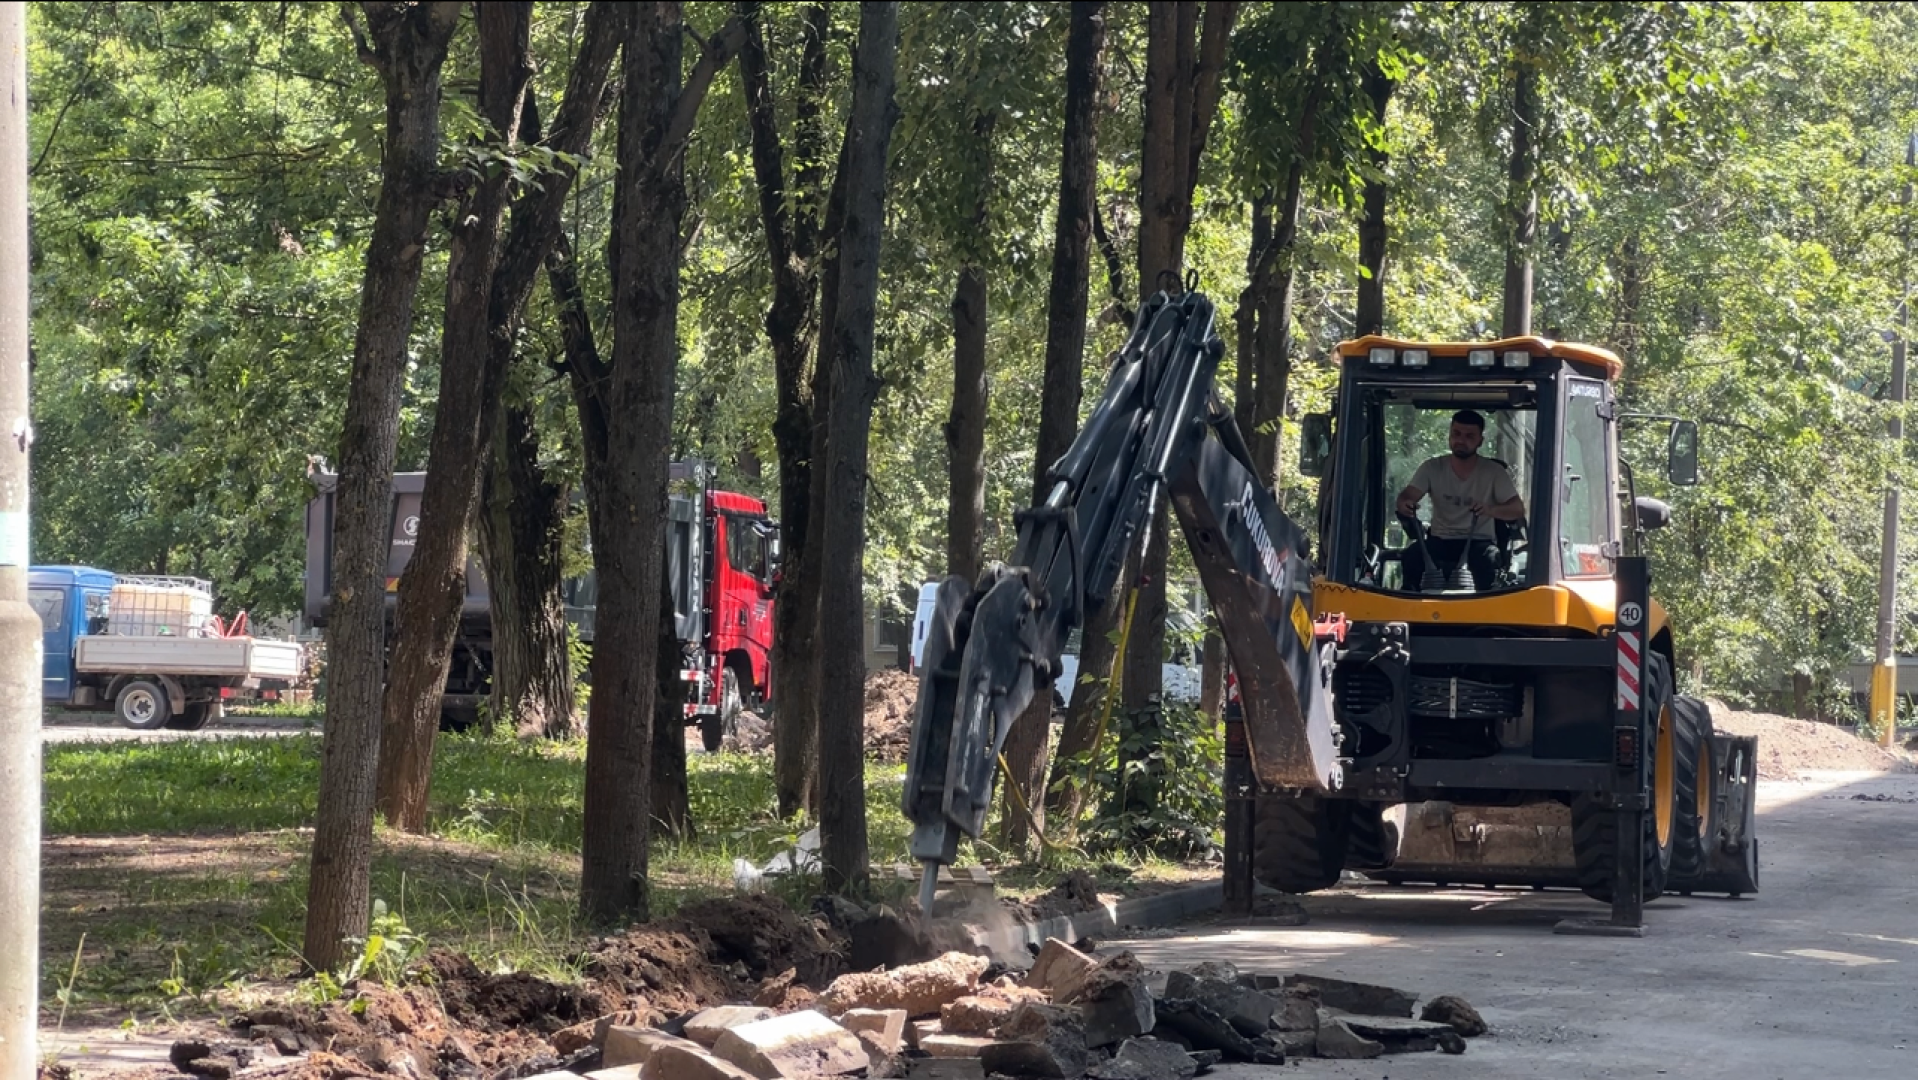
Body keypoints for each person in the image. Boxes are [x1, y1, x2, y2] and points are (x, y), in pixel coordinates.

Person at [1395, 409, 1525, 591]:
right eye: (1456, 434)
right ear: (1449, 436)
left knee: (1489, 560)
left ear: (1480, 441)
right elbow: (1406, 497)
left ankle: (1484, 613)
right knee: (1412, 556)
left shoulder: (1493, 472)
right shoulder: (1432, 468)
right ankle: (1410, 607)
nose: (1461, 440)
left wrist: (1490, 510)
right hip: (1440, 539)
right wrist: (1405, 504)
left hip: (1479, 542)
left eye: (1469, 436)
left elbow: (1517, 509)